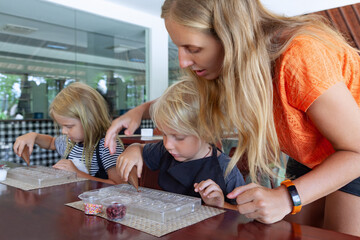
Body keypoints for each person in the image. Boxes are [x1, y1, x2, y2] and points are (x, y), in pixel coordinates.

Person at [105, 0, 360, 236]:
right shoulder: (231, 72)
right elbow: (189, 102)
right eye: (179, 48)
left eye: (193, 48)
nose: (183, 61)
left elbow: (356, 151)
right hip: (309, 155)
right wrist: (139, 111)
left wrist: (286, 197)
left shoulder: (300, 56)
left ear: (230, 36)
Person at [116, 79, 245, 209]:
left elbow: (244, 213)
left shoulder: (227, 170)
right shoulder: (164, 150)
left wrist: (221, 204)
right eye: (164, 134)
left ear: (206, 133)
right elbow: (140, 149)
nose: (168, 144)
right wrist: (133, 149)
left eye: (179, 137)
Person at [13, 82, 125, 185]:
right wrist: (34, 136)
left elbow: (119, 186)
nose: (63, 131)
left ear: (90, 121)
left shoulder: (107, 146)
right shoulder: (71, 142)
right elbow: (51, 142)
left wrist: (78, 174)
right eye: (61, 126)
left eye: (69, 126)